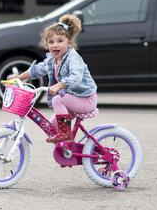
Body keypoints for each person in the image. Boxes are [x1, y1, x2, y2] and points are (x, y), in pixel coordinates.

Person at [8, 14, 97, 143]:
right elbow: (37, 69)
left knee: (58, 100)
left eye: (60, 41)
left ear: (69, 42)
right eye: (51, 42)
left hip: (85, 99)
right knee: (52, 126)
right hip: (73, 98)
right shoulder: (52, 60)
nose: (55, 45)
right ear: (46, 44)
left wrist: (60, 85)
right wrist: (19, 77)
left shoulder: (73, 58)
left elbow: (76, 77)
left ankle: (66, 134)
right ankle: (67, 151)